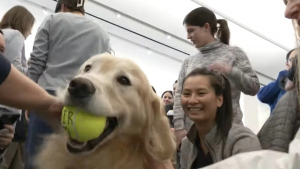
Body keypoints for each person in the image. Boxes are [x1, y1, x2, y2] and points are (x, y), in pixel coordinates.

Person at [26, 0, 111, 168]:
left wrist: (29, 97)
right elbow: (103, 74)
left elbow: (36, 62)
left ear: (63, 6)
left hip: (47, 96)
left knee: (36, 161)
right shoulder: (102, 33)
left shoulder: (53, 20)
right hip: (85, 106)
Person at [173, 7, 260, 147]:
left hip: (228, 134)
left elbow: (254, 87)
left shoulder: (234, 53)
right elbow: (179, 96)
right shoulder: (188, 62)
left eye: (191, 30)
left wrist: (231, 71)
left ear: (206, 27)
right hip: (195, 137)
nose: (188, 37)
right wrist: (179, 127)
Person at [180, 68, 261, 168]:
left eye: (201, 93)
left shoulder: (242, 140)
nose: (192, 100)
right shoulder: (186, 144)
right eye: (187, 94)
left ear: (219, 100)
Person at [0, 6, 35, 168]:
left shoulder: (4, 34)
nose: (30, 33)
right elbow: (13, 71)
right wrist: (34, 69)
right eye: (30, 28)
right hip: (6, 110)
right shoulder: (16, 35)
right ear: (24, 23)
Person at [257, 49, 297, 113]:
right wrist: (283, 78)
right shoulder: (279, 85)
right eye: (294, 60)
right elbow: (262, 96)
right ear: (287, 64)